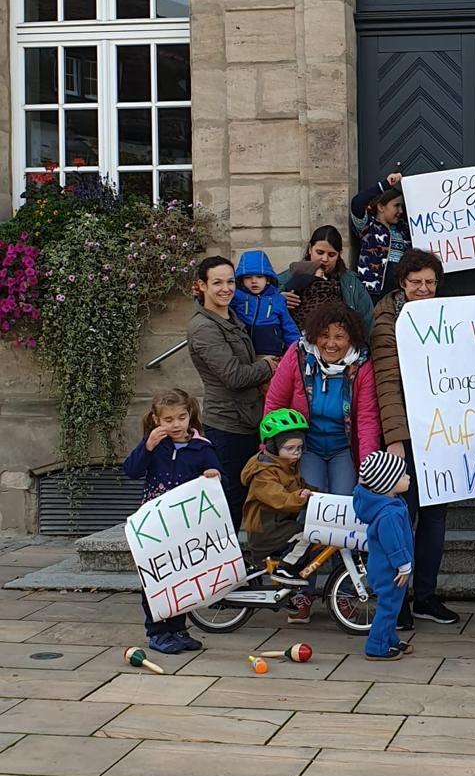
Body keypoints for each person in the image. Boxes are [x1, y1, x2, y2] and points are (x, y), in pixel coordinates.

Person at [371, 248, 459, 627]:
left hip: (443, 431)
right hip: (406, 433)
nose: (424, 289)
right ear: (402, 284)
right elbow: (387, 382)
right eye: (416, 283)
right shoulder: (386, 319)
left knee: (436, 516)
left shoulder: (446, 315)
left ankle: (425, 595)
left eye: (430, 283)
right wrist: (395, 438)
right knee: (400, 519)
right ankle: (397, 599)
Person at [123, 388, 222, 654]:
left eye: (181, 417)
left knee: (184, 576)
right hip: (156, 526)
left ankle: (178, 628)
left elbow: (214, 472)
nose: (176, 424)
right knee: (156, 579)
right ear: (157, 420)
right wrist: (148, 446)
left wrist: (213, 474)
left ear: (190, 415)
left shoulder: (201, 447)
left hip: (186, 525)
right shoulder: (154, 446)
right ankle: (157, 631)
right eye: (168, 420)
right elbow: (131, 471)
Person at [188, 256, 276, 529]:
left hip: (248, 420)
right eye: (217, 283)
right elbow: (234, 376)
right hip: (227, 426)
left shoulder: (230, 315)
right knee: (232, 503)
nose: (226, 288)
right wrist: (268, 366)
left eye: (229, 282)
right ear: (201, 286)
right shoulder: (203, 327)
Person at [264, 300, 382, 494]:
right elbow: (275, 402)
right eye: (324, 335)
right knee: (309, 498)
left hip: (344, 448)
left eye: (339, 337)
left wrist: (368, 467)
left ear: (351, 339)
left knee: (344, 500)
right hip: (307, 446)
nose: (330, 344)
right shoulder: (297, 354)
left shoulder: (362, 365)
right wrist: (268, 448)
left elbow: (367, 419)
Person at [240, 408, 318, 625]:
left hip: (278, 525)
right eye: (290, 448)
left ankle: (288, 585)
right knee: (307, 534)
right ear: (274, 447)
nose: (296, 453)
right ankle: (284, 569)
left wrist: (320, 496)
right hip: (265, 530)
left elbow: (302, 487)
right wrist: (299, 497)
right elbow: (278, 498)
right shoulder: (264, 472)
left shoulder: (288, 466)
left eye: (300, 448)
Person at [353, 450, 415, 661]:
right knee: (388, 607)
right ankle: (376, 646)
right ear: (387, 484)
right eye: (403, 475)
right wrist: (403, 565)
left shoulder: (390, 505)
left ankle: (389, 639)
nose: (408, 478)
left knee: (392, 607)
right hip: (391, 570)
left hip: (386, 569)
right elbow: (394, 544)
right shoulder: (389, 513)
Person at [279, 226, 375, 336]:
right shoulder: (290, 276)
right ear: (310, 249)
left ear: (339, 255)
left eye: (331, 255)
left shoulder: (351, 283)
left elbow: (367, 320)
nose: (324, 259)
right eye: (319, 252)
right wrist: (279, 299)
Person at [230, 249, 300, 363]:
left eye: (259, 276)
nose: (254, 281)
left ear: (267, 279)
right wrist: (200, 296)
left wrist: (297, 351)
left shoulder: (278, 299)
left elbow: (289, 327)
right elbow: (214, 303)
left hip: (272, 355)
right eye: (248, 277)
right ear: (241, 280)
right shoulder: (236, 296)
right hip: (244, 355)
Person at [351, 173, 410, 302]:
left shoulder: (404, 231)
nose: (400, 211)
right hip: (371, 295)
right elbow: (357, 203)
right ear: (381, 207)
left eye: (401, 206)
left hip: (398, 295)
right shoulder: (368, 227)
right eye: (396, 206)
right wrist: (384, 185)